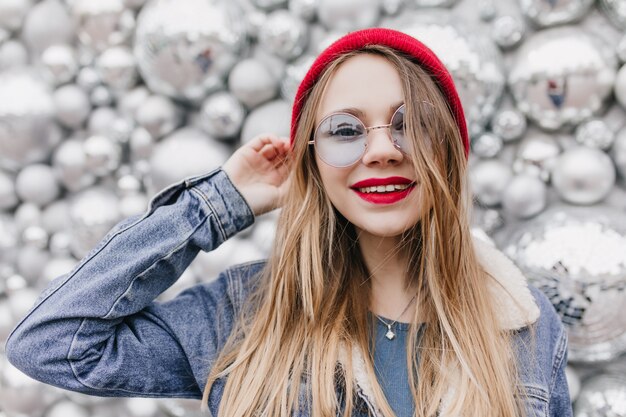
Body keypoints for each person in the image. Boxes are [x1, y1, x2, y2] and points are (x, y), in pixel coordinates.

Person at [4, 28, 572, 417]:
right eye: (346, 131)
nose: (382, 151)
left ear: (449, 150)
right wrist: (218, 202)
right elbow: (52, 342)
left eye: (411, 124)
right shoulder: (241, 316)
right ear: (312, 163)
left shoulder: (524, 323)